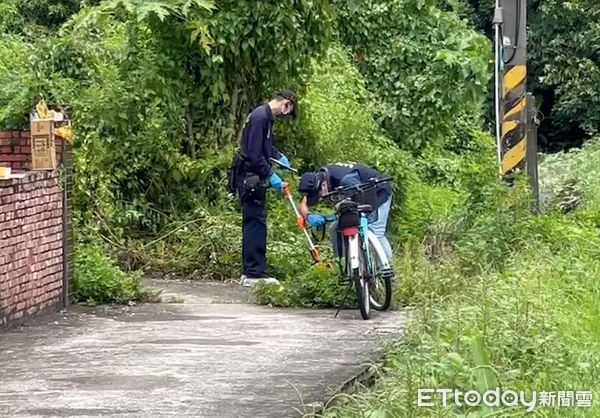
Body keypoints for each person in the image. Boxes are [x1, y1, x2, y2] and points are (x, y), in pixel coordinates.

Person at [230, 90, 298, 287]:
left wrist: (279, 156)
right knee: (255, 224)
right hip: (250, 177)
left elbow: (263, 148)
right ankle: (254, 274)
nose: (286, 116)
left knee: (255, 221)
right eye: (289, 111)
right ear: (286, 104)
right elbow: (253, 153)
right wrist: (271, 175)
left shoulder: (266, 118)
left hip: (254, 176)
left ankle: (251, 270)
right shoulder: (261, 116)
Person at [298, 163, 393, 262]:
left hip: (379, 190)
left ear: (323, 185)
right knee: (335, 228)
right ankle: (343, 262)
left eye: (319, 195)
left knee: (376, 231)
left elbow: (358, 202)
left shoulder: (346, 180)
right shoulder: (315, 180)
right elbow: (303, 204)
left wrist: (332, 216)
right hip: (358, 190)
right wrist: (308, 216)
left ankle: (387, 269)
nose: (320, 198)